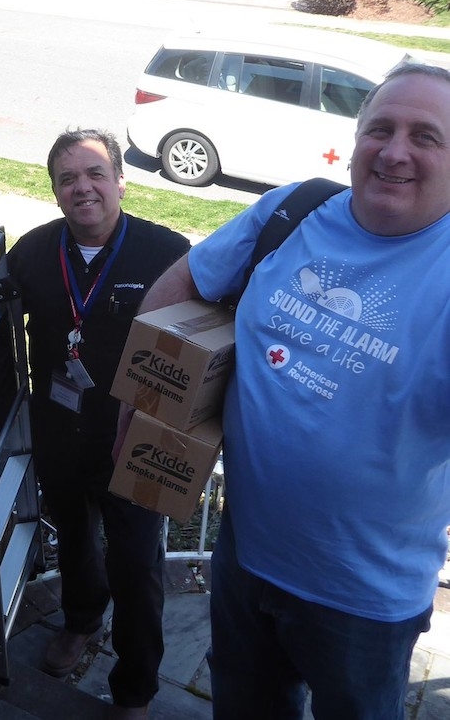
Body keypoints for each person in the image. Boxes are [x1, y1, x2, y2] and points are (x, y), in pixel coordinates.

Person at [127, 62, 450, 719]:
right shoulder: (295, 209)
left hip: (362, 597)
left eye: (427, 137)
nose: (394, 152)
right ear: (355, 137)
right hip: (245, 554)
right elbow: (184, 283)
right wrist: (138, 412)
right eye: (380, 129)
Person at [0, 129, 190, 719]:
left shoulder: (168, 252)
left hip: (138, 436)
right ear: (55, 191)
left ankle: (135, 687)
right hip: (60, 430)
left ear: (119, 181)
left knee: (137, 562)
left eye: (95, 174)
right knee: (76, 538)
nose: (82, 188)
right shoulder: (34, 252)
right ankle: (81, 620)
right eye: (67, 179)